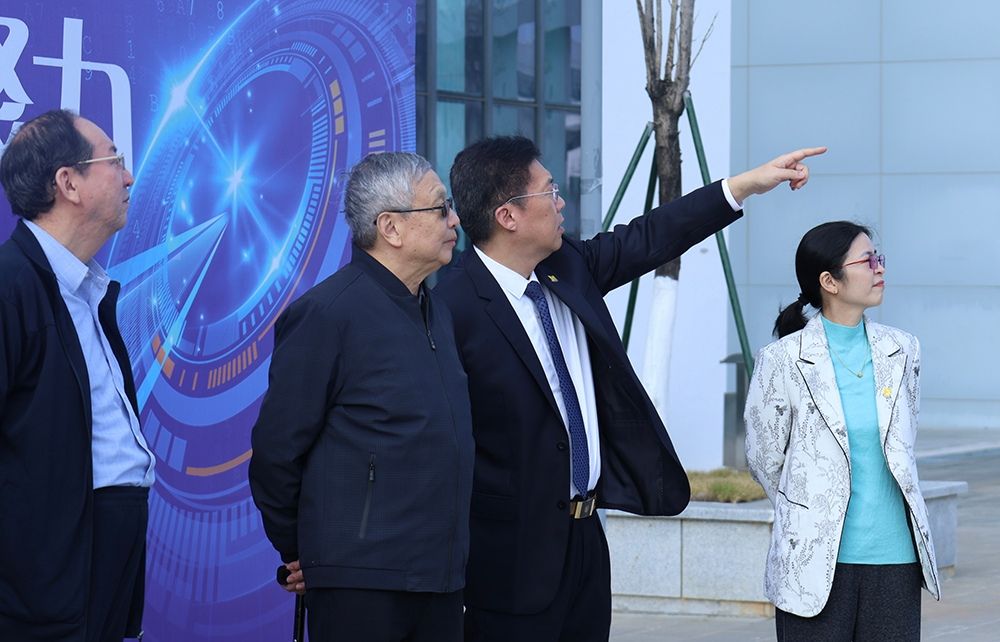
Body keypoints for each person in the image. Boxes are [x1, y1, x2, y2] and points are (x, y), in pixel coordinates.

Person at [434, 134, 825, 641]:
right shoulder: (451, 310)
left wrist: (746, 185)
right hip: (509, 561)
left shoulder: (566, 266)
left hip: (586, 541)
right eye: (549, 191)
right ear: (508, 215)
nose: (561, 202)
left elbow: (652, 234)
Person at [248, 151, 474, 642]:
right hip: (363, 583)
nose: (454, 220)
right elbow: (276, 451)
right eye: (441, 207)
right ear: (390, 227)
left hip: (439, 576)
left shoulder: (436, 312)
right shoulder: (328, 313)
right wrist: (302, 550)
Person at [0, 109, 155, 641]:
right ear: (68, 183)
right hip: (40, 589)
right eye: (115, 160)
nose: (128, 177)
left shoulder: (89, 292)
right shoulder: (11, 286)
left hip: (100, 559)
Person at [745, 221, 940, 641]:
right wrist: (809, 505)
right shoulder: (782, 359)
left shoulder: (903, 349)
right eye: (867, 261)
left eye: (878, 258)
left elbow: (903, 443)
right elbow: (764, 458)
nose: (879, 268)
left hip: (895, 559)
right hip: (813, 561)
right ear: (829, 281)